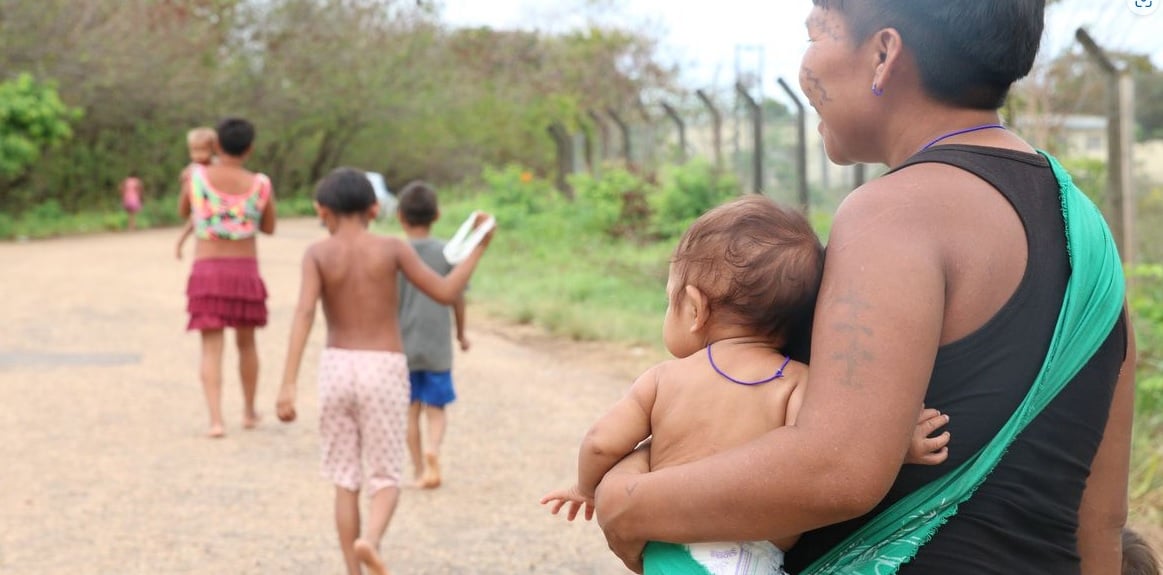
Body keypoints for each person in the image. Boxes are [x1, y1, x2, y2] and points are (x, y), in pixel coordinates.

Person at [593, 2, 1132, 575]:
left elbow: (836, 470)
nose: (806, 63)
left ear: (883, 54)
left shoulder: (894, 211)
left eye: (816, 34)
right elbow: (1101, 521)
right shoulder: (1089, 233)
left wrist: (626, 502)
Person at [539, 196, 952, 575]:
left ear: (696, 309)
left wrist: (586, 487)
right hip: (754, 559)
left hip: (672, 549)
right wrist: (898, 448)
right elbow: (836, 451)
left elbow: (600, 443)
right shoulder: (796, 384)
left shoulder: (664, 379)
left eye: (671, 301)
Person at [275, 168, 493, 575]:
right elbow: (446, 292)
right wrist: (478, 248)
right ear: (375, 209)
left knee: (345, 478)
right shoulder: (393, 248)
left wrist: (287, 383)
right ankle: (369, 541)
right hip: (385, 367)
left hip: (337, 366)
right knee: (385, 475)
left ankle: (352, 570)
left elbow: (304, 312)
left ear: (322, 210)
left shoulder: (317, 254)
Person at [178, 117, 276, 438]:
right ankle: (248, 412)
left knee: (211, 348)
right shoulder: (261, 184)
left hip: (207, 271)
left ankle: (216, 420)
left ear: (216, 145)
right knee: (247, 344)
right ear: (250, 149)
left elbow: (184, 212)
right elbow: (270, 227)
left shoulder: (197, 178)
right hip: (245, 271)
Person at [393, 181, 471, 490]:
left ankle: (416, 468)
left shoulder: (394, 254)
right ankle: (433, 450)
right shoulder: (446, 254)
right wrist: (461, 334)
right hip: (437, 346)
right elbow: (457, 298)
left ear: (400, 216)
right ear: (436, 215)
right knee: (436, 408)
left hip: (402, 346)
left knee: (410, 409)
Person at [176, 127, 217, 260]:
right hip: (200, 205)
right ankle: (180, 244)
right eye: (194, 150)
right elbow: (183, 177)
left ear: (213, 149)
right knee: (192, 222)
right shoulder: (193, 168)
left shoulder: (216, 165)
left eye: (203, 150)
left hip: (216, 204)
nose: (198, 155)